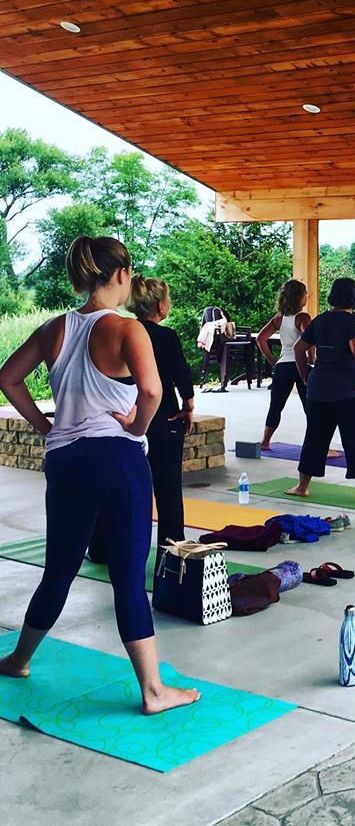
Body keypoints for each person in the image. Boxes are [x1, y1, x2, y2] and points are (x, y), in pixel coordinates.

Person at [0, 236, 199, 714]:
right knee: (129, 578)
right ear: (123, 274)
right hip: (117, 459)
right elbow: (151, 391)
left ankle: (18, 659)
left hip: (66, 461)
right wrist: (136, 426)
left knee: (59, 569)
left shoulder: (54, 328)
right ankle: (153, 691)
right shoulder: (129, 330)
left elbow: (7, 378)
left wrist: (48, 425)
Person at [285, 278, 355, 505]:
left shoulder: (320, 320)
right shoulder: (353, 322)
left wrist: (305, 376)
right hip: (350, 391)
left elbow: (298, 348)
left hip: (319, 389)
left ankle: (302, 487)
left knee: (315, 438)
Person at [125, 275, 195, 549]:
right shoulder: (166, 336)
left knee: (125, 488)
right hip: (164, 418)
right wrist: (188, 406)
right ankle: (172, 547)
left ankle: (105, 546)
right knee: (168, 489)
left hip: (129, 418)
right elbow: (181, 375)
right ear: (160, 307)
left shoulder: (123, 330)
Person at [257, 280, 312, 451]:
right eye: (305, 295)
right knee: (311, 408)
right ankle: (318, 447)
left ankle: (265, 442)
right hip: (300, 365)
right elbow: (309, 339)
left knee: (276, 406)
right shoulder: (303, 317)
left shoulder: (279, 318)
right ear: (299, 298)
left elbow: (260, 339)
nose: (307, 298)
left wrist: (273, 361)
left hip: (283, 366)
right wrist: (312, 359)